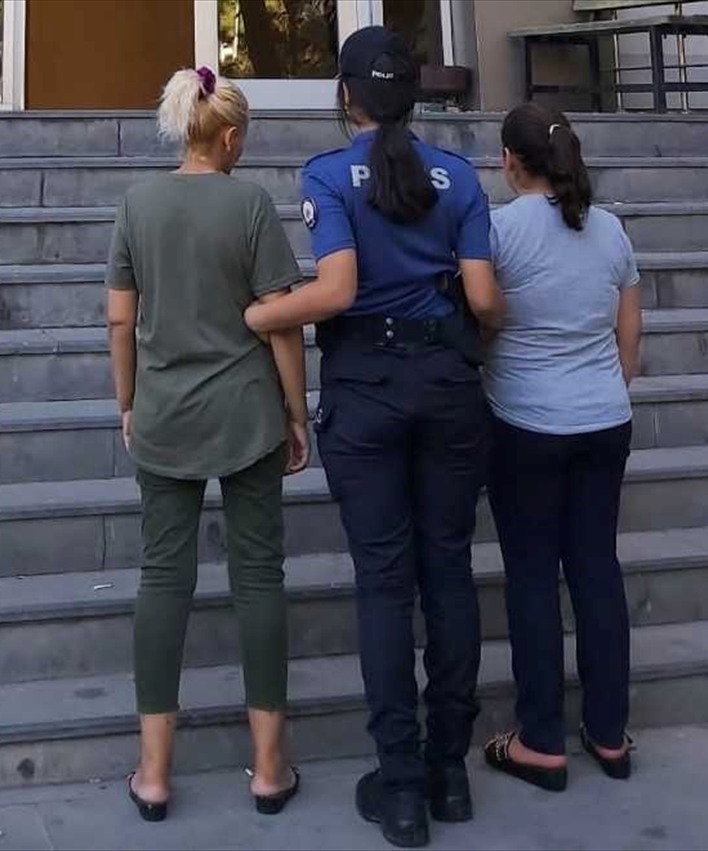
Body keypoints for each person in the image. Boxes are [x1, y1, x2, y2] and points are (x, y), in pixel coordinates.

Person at [245, 26, 505, 849]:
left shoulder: (328, 174)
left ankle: (400, 789)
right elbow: (485, 300)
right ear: (413, 96)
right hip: (447, 386)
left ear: (345, 95)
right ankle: (449, 772)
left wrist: (257, 314)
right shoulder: (458, 177)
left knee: (385, 585)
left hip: (367, 391)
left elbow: (335, 290)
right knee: (449, 571)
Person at [107, 66, 310, 822]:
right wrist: (297, 413)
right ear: (226, 138)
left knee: (163, 579)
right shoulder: (250, 204)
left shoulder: (137, 204)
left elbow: (120, 319)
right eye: (242, 137)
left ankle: (154, 773)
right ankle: (270, 768)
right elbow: (281, 320)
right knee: (258, 578)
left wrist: (128, 402)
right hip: (247, 415)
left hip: (165, 412)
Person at [480, 103, 643, 791]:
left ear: (510, 162)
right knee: (596, 568)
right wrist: (602, 390)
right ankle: (609, 733)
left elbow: (480, 315)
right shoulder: (609, 230)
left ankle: (541, 739)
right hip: (604, 419)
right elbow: (629, 336)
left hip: (525, 422)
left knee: (532, 577)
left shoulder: (498, 230)